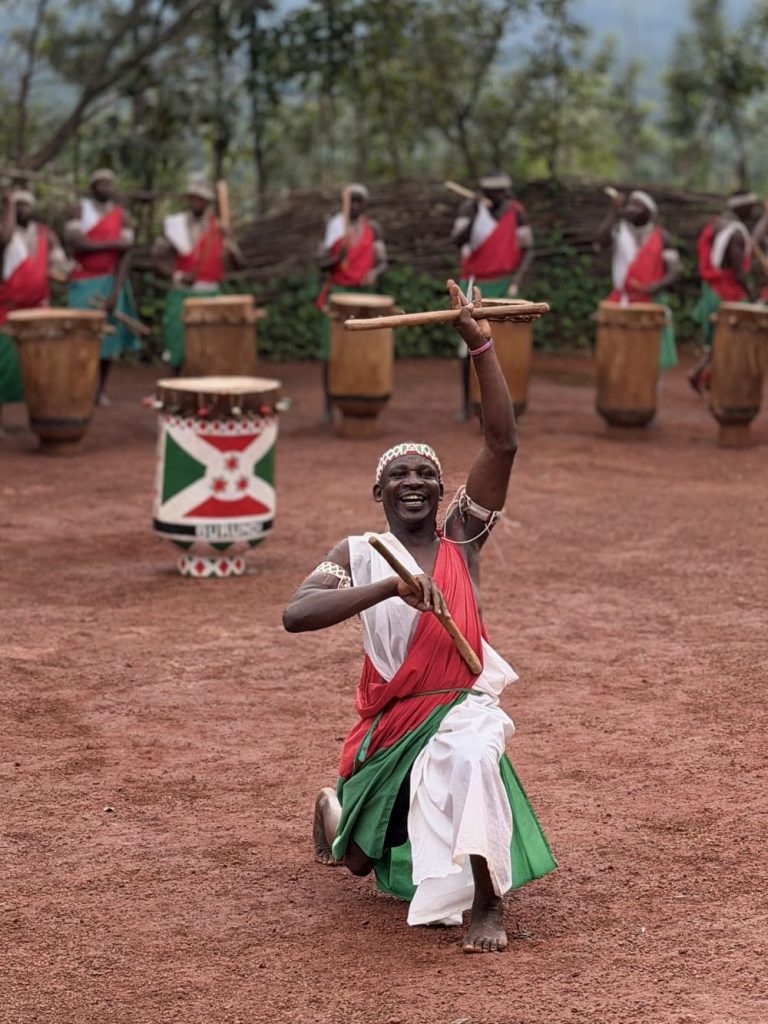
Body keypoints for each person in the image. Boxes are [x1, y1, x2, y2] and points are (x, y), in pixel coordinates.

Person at [283, 279, 556, 954]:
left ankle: (489, 905)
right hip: (391, 721)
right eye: (399, 473)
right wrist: (387, 590)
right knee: (359, 864)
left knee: (472, 761)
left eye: (425, 474)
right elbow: (298, 613)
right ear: (377, 490)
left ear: (441, 491)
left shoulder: (463, 535)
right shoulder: (357, 552)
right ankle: (343, 816)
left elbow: (503, 443)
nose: (413, 481)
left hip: (459, 704)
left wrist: (479, 344)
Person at [450, 173, 533, 420]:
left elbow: (528, 249)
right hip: (474, 282)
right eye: (489, 192)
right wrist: (476, 212)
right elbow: (457, 240)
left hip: (505, 283)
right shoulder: (469, 208)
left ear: (506, 193)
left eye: (499, 193)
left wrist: (517, 279)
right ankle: (467, 404)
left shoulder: (517, 212)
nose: (494, 196)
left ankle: (503, 403)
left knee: (504, 346)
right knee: (467, 345)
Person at [153, 178, 244, 372]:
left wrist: (228, 241)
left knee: (210, 344)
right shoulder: (175, 226)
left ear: (208, 202)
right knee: (177, 340)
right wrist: (177, 275)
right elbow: (157, 259)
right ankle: (177, 385)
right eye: (193, 198)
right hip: (181, 293)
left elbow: (239, 265)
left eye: (201, 199)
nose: (196, 202)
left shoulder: (218, 228)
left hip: (210, 293)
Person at [66, 168, 139, 406]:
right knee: (80, 333)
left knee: (109, 338)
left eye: (109, 184)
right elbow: (77, 243)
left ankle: (101, 389)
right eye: (101, 184)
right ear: (92, 187)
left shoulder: (122, 216)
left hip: (110, 281)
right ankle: (78, 387)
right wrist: (113, 244)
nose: (106, 188)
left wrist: (116, 290)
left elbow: (126, 254)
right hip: (83, 280)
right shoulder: (80, 210)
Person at [316, 184, 387, 422]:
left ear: (364, 204)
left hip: (364, 297)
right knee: (331, 350)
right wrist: (338, 256)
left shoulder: (373, 228)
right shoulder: (334, 226)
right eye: (351, 201)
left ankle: (362, 397)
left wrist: (375, 273)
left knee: (363, 350)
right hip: (338, 294)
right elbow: (321, 263)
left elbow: (382, 261)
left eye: (359, 201)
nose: (355, 206)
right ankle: (328, 406)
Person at [0, 189, 68, 429]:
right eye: (17, 206)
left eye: (25, 205)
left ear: (34, 208)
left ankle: (37, 419)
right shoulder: (5, 234)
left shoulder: (46, 234)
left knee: (38, 367)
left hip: (38, 308)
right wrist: (7, 207)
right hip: (7, 310)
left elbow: (59, 264)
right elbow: (4, 239)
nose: (22, 210)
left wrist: (60, 269)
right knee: (5, 365)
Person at [594, 188, 681, 372]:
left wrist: (654, 287)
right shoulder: (619, 231)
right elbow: (600, 242)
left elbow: (675, 270)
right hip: (622, 301)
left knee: (648, 360)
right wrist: (612, 212)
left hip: (650, 302)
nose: (630, 209)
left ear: (649, 212)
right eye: (629, 204)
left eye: (637, 205)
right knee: (618, 356)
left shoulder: (663, 237)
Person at [689, 191, 758, 393]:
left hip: (713, 289)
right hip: (726, 291)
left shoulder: (720, 225)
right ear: (740, 207)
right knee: (732, 335)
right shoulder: (735, 233)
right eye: (750, 206)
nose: (753, 211)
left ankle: (701, 373)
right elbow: (738, 272)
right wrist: (751, 296)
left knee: (720, 336)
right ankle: (710, 376)